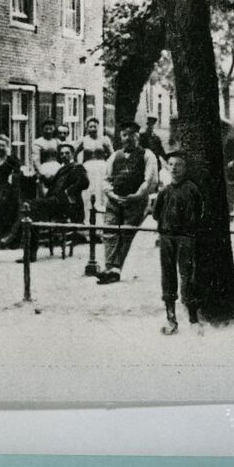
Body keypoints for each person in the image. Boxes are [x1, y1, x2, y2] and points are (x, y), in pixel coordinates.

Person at [96, 120, 159, 285]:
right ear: (120, 137)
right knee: (109, 231)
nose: (128, 138)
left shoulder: (147, 155)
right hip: (115, 200)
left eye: (132, 135)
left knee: (126, 233)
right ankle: (109, 267)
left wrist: (137, 195)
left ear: (138, 137)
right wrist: (112, 195)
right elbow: (106, 179)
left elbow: (150, 179)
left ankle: (116, 269)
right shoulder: (115, 156)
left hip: (135, 202)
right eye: (124, 135)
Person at [154, 151, 204, 334]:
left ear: (185, 168)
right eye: (171, 165)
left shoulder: (191, 189)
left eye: (179, 165)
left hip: (185, 238)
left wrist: (188, 227)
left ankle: (193, 319)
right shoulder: (165, 191)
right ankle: (171, 318)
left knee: (187, 276)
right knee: (168, 276)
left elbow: (200, 212)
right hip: (167, 237)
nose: (174, 168)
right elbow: (155, 213)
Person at [25, 142, 90, 261]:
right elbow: (52, 184)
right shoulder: (61, 169)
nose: (64, 155)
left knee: (33, 206)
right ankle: (30, 251)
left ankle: (31, 252)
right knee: (31, 208)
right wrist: (41, 176)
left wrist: (68, 191)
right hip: (56, 202)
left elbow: (85, 182)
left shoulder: (77, 167)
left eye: (67, 153)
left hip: (69, 205)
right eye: (62, 154)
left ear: (72, 154)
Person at [76, 116, 114, 215]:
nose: (93, 129)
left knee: (100, 186)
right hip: (88, 167)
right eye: (90, 127)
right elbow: (74, 152)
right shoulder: (83, 140)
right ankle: (89, 207)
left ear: (98, 127)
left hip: (101, 167)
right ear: (87, 128)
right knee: (90, 187)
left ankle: (102, 206)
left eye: (95, 126)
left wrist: (108, 165)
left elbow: (111, 154)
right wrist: (77, 164)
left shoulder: (104, 140)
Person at [31, 118, 60, 192]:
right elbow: (36, 160)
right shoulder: (38, 142)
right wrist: (42, 174)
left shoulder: (57, 141)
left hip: (57, 168)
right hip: (44, 169)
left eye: (51, 129)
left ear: (54, 129)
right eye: (46, 129)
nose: (48, 131)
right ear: (42, 129)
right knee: (45, 192)